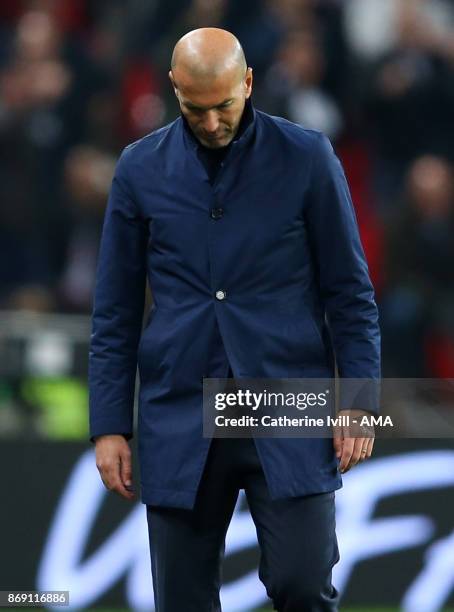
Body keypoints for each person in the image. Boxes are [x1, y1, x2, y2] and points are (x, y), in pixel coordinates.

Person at [89, 27, 380, 612]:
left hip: (289, 401)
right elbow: (115, 310)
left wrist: (359, 400)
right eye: (196, 109)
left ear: (248, 82)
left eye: (225, 104)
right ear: (174, 89)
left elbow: (350, 293)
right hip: (181, 406)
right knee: (183, 600)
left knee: (303, 584)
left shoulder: (308, 156)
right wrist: (109, 425)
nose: (214, 122)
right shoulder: (138, 169)